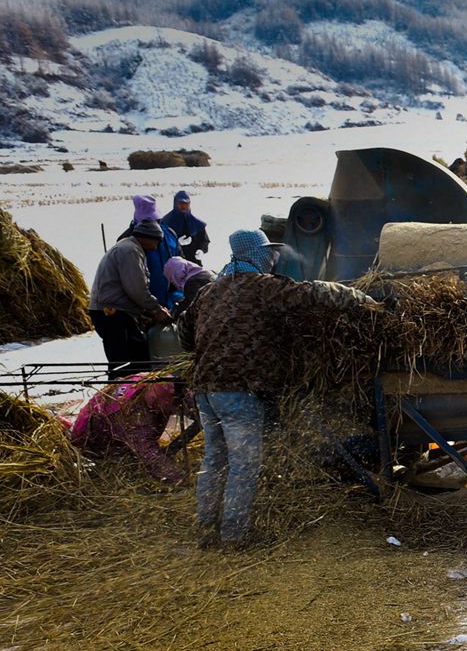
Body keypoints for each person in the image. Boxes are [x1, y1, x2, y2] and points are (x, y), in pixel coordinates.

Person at [180, 270, 377, 546]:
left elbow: (184, 332)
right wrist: (358, 296)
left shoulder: (209, 291)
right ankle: (235, 535)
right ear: (254, 254)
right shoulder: (262, 286)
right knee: (243, 464)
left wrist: (213, 349)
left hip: (206, 389)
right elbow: (313, 292)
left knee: (214, 460)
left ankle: (205, 529)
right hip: (240, 389)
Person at [89, 219, 172, 378]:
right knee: (122, 361)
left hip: (118, 311)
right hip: (111, 312)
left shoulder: (130, 247)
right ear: (147, 238)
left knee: (137, 354)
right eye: (156, 241)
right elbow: (136, 288)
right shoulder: (130, 251)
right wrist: (156, 309)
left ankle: (132, 394)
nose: (156, 246)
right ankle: (118, 397)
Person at [67, 373, 187, 483]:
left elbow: (185, 395)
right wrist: (178, 478)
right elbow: (150, 455)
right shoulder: (134, 418)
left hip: (98, 408)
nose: (175, 408)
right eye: (173, 404)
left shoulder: (155, 380)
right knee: (130, 464)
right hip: (90, 438)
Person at [122, 195, 181, 307]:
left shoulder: (169, 235)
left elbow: (179, 262)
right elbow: (129, 280)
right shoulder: (128, 240)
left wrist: (177, 293)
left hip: (170, 298)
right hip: (142, 302)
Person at [161, 190, 210, 265]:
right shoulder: (166, 222)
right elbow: (161, 244)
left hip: (194, 263)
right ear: (175, 203)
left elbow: (204, 240)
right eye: (181, 204)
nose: (183, 206)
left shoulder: (196, 223)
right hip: (173, 264)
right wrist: (177, 243)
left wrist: (201, 250)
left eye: (186, 204)